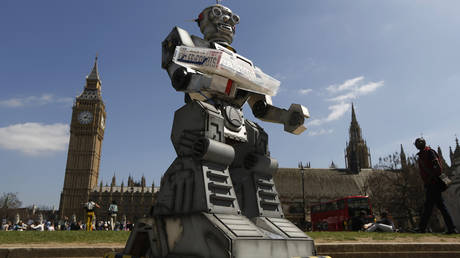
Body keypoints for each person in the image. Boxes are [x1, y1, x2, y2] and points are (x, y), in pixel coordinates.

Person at [414, 138, 457, 234]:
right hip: (430, 184)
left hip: (433, 183)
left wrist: (432, 177)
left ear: (422, 143)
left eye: (418, 143)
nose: (416, 145)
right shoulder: (422, 154)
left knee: (429, 206)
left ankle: (422, 228)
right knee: (439, 207)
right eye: (416, 144)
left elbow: (437, 167)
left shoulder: (429, 152)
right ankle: (451, 228)